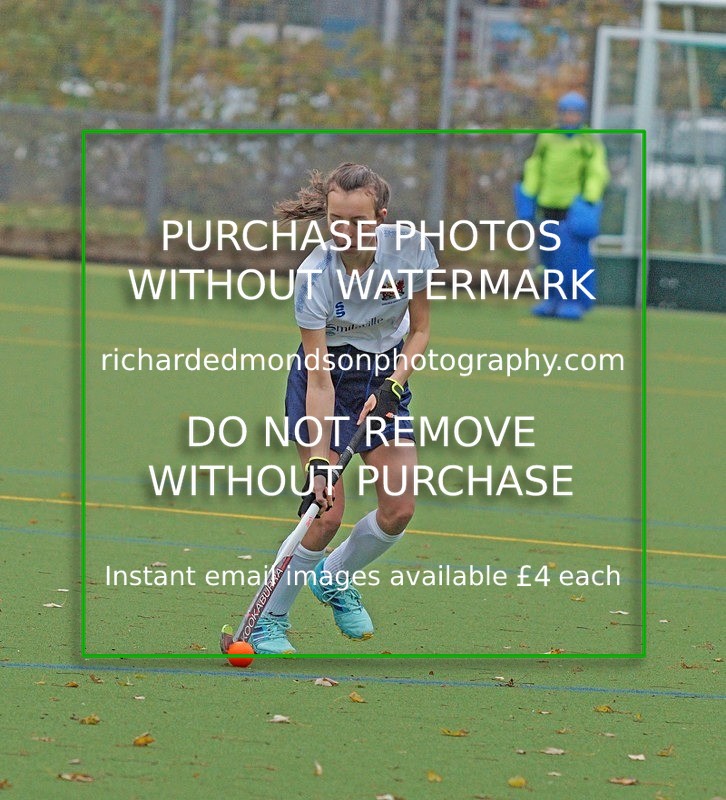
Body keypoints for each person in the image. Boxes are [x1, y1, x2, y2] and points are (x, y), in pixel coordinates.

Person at [244, 162, 438, 654]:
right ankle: (271, 622)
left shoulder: (411, 251)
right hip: (327, 379)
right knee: (325, 512)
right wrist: (316, 460)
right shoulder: (314, 276)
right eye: (336, 221)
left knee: (399, 508)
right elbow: (319, 376)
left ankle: (333, 578)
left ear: (381, 216)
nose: (346, 232)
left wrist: (396, 381)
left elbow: (420, 330)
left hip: (386, 377)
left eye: (358, 221)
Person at [514, 91, 610, 320]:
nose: (570, 117)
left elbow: (597, 171)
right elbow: (535, 166)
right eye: (566, 112)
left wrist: (589, 198)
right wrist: (529, 192)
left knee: (572, 259)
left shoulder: (588, 140)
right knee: (548, 259)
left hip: (572, 211)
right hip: (548, 208)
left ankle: (573, 301)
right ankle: (552, 299)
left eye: (574, 113)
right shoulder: (548, 137)